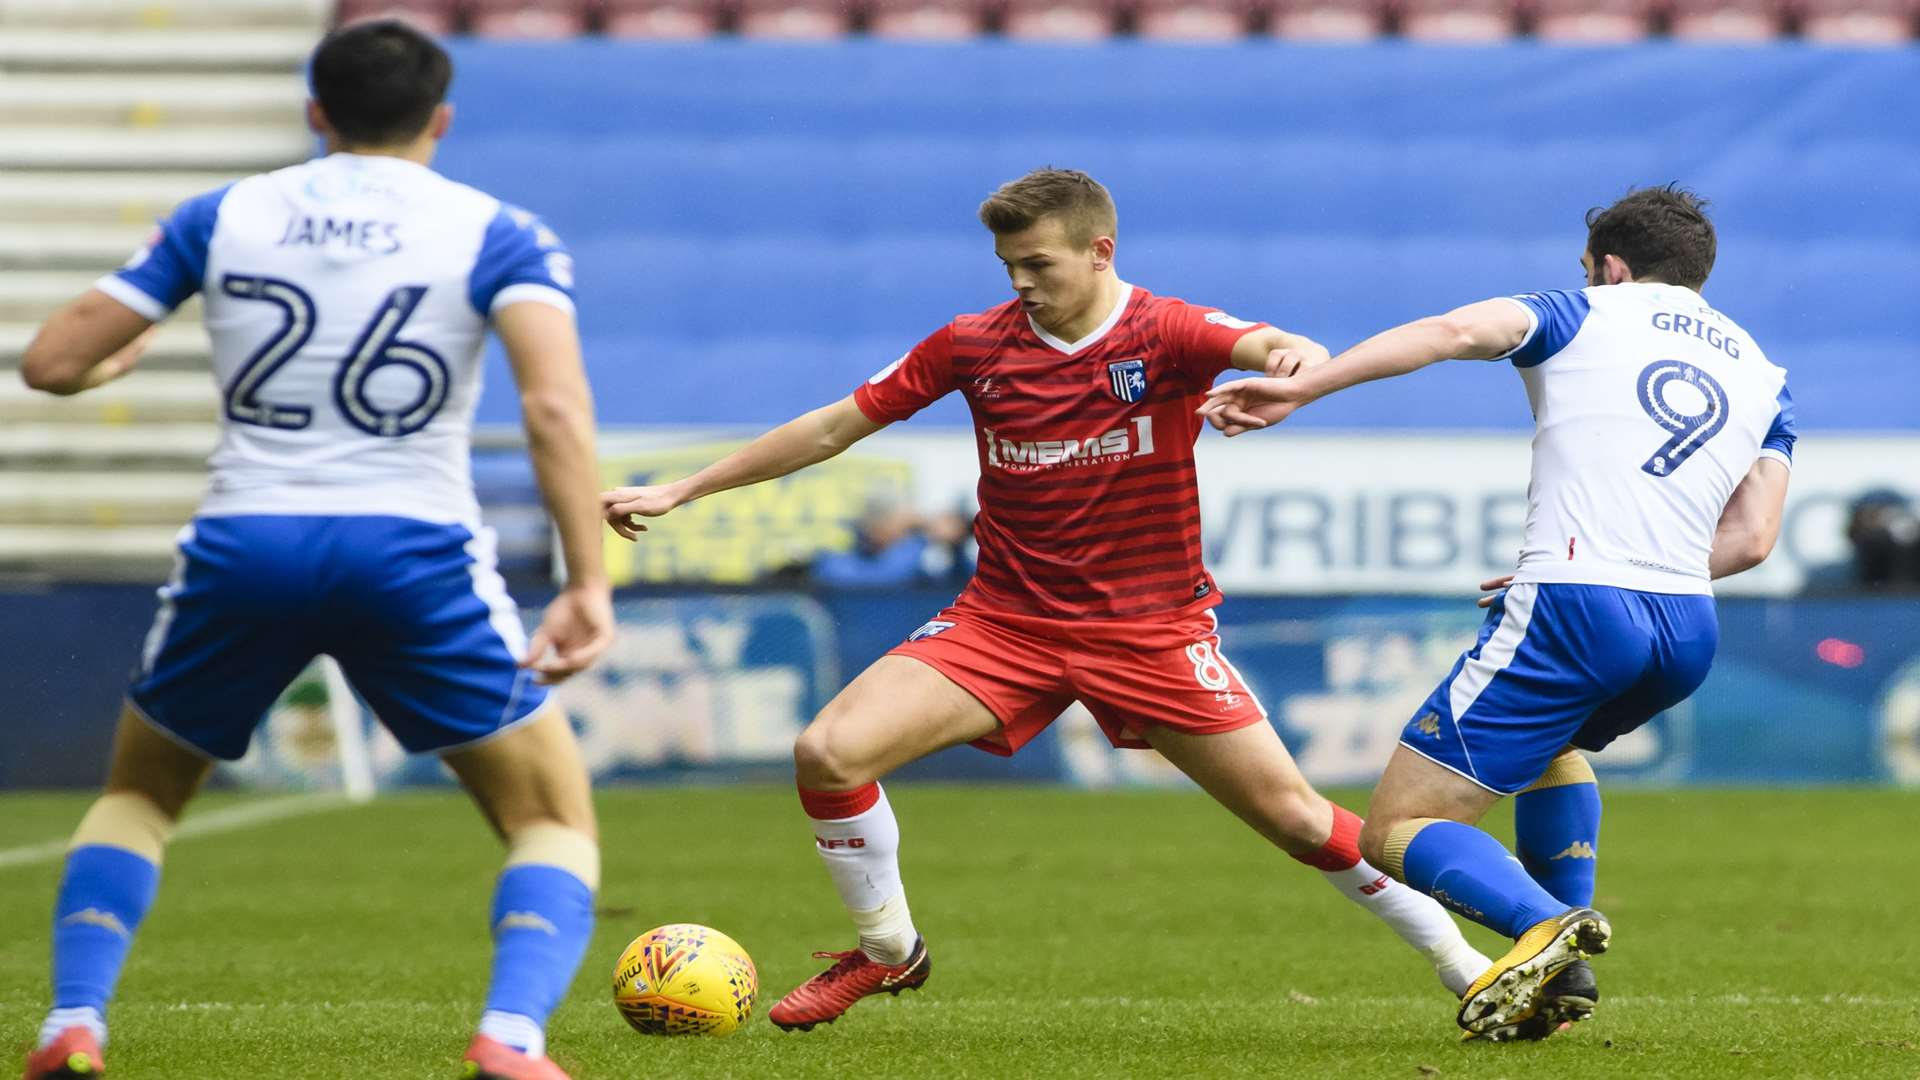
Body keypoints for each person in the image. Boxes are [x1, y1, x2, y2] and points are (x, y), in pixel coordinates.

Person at [604, 168, 1490, 1032]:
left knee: (1297, 818)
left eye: (1039, 265)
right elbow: (837, 425)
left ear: (1099, 251)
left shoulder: (1167, 331)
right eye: (1008, 267)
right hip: (1004, 621)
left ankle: (1474, 968)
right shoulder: (972, 344)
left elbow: (1281, 345)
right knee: (828, 752)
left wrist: (1294, 370)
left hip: (1147, 630)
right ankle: (886, 949)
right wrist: (685, 489)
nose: (1021, 283)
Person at [17, 22, 612, 1080]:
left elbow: (54, 363)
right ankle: (511, 1036)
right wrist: (587, 581)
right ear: (441, 120)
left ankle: (74, 1021)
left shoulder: (225, 214)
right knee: (550, 814)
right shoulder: (499, 231)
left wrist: (116, 369)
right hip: (410, 549)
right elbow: (555, 409)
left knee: (144, 796)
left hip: (248, 540)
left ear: (314, 112)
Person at [1201, 185, 1795, 1039]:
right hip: (1686, 624)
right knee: (1550, 749)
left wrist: (1307, 388)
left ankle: (1544, 928)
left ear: (1612, 268)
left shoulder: (1579, 311)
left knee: (1399, 827)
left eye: (1591, 270)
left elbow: (1450, 334)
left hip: (1577, 604)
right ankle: (1564, 973)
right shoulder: (1763, 375)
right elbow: (1752, 538)